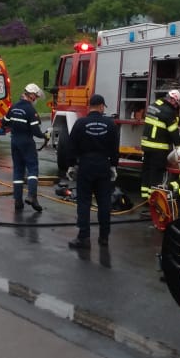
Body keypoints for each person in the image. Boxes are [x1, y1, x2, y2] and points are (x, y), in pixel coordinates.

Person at [67, 93, 120, 250]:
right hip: (103, 165)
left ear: (89, 106)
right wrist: (113, 166)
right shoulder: (110, 125)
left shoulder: (80, 123)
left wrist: (71, 165)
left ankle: (84, 238)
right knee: (104, 202)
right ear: (102, 106)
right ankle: (104, 237)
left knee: (84, 202)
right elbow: (114, 148)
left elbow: (71, 146)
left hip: (86, 165)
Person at [4, 82, 48, 212]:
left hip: (15, 142)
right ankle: (31, 196)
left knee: (18, 171)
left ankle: (18, 201)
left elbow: (4, 122)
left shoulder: (13, 107)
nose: (36, 99)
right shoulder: (30, 110)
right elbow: (35, 131)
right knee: (33, 169)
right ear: (32, 96)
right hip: (27, 143)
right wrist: (44, 136)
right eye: (36, 97)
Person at [140, 88, 180, 198]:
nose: (176, 106)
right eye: (177, 104)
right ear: (173, 100)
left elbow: (162, 119)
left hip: (146, 145)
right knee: (156, 173)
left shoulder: (154, 105)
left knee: (147, 171)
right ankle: (153, 198)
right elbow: (173, 132)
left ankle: (145, 196)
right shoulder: (169, 112)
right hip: (158, 148)